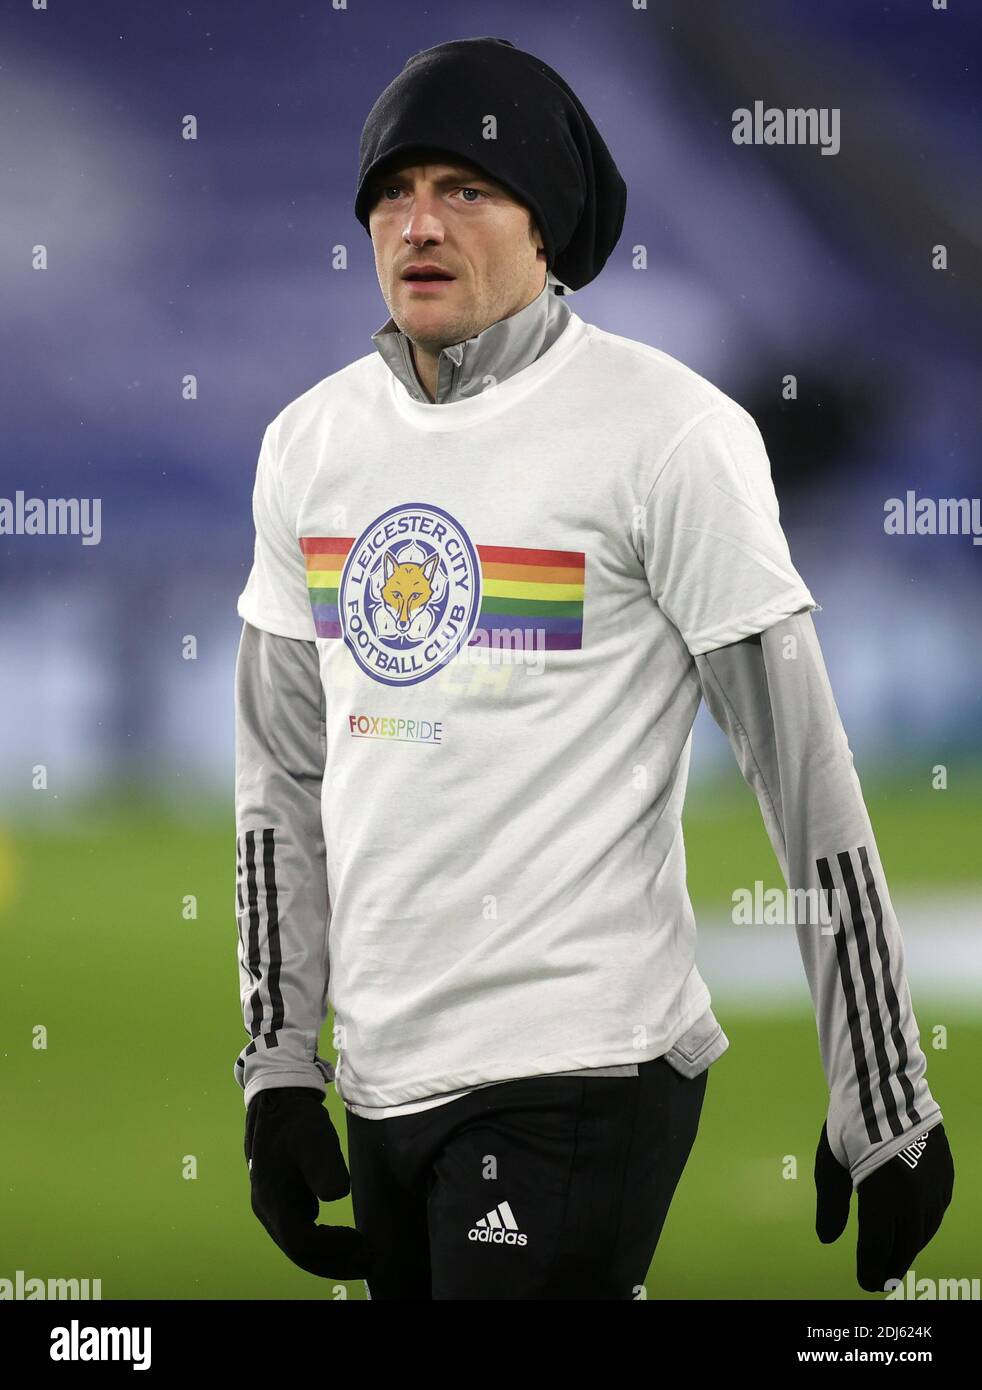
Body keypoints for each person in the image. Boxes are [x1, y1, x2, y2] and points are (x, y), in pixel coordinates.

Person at [234, 37, 953, 1301]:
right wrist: (280, 1061)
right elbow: (279, 781)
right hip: (384, 1075)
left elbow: (804, 774)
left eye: (465, 189)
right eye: (393, 193)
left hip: (584, 1063)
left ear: (547, 226)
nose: (418, 223)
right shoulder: (308, 445)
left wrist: (881, 1088)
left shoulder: (670, 434)